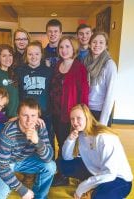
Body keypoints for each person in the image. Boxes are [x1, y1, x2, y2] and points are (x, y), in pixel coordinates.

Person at [60, 104, 133, 199]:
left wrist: (82, 188)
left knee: (98, 196)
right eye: (72, 119)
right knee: (62, 163)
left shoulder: (104, 137)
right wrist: (70, 139)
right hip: (98, 171)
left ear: (87, 117)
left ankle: (101, 190)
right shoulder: (81, 135)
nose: (75, 122)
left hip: (119, 179)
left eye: (78, 118)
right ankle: (95, 186)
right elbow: (66, 158)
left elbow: (109, 174)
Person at [0, 98, 56, 199]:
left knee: (50, 166)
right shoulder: (7, 133)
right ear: (18, 115)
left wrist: (38, 142)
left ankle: (39, 196)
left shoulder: (40, 126)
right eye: (25, 115)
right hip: (6, 163)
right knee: (0, 195)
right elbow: (1, 166)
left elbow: (48, 158)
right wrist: (22, 190)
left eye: (33, 115)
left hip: (26, 160)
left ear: (38, 116)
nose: (29, 120)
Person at [50, 36, 89, 186]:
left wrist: (82, 117)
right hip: (55, 113)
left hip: (70, 115)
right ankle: (63, 172)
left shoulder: (79, 68)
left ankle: (66, 175)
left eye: (67, 47)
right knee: (61, 143)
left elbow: (84, 94)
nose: (64, 50)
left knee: (70, 145)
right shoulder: (57, 65)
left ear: (74, 49)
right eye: (61, 47)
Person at [16, 40, 54, 150]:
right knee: (26, 141)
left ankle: (49, 163)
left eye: (37, 54)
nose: (33, 57)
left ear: (41, 55)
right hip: (26, 115)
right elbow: (17, 92)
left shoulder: (48, 71)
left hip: (45, 114)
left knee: (47, 141)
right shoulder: (19, 71)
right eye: (30, 54)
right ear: (26, 55)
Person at [83, 32, 117, 126]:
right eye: (94, 42)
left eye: (101, 42)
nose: (97, 45)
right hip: (86, 109)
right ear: (89, 44)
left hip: (100, 110)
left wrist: (103, 121)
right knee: (85, 140)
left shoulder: (109, 65)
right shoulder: (85, 61)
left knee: (99, 139)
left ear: (106, 46)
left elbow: (110, 95)